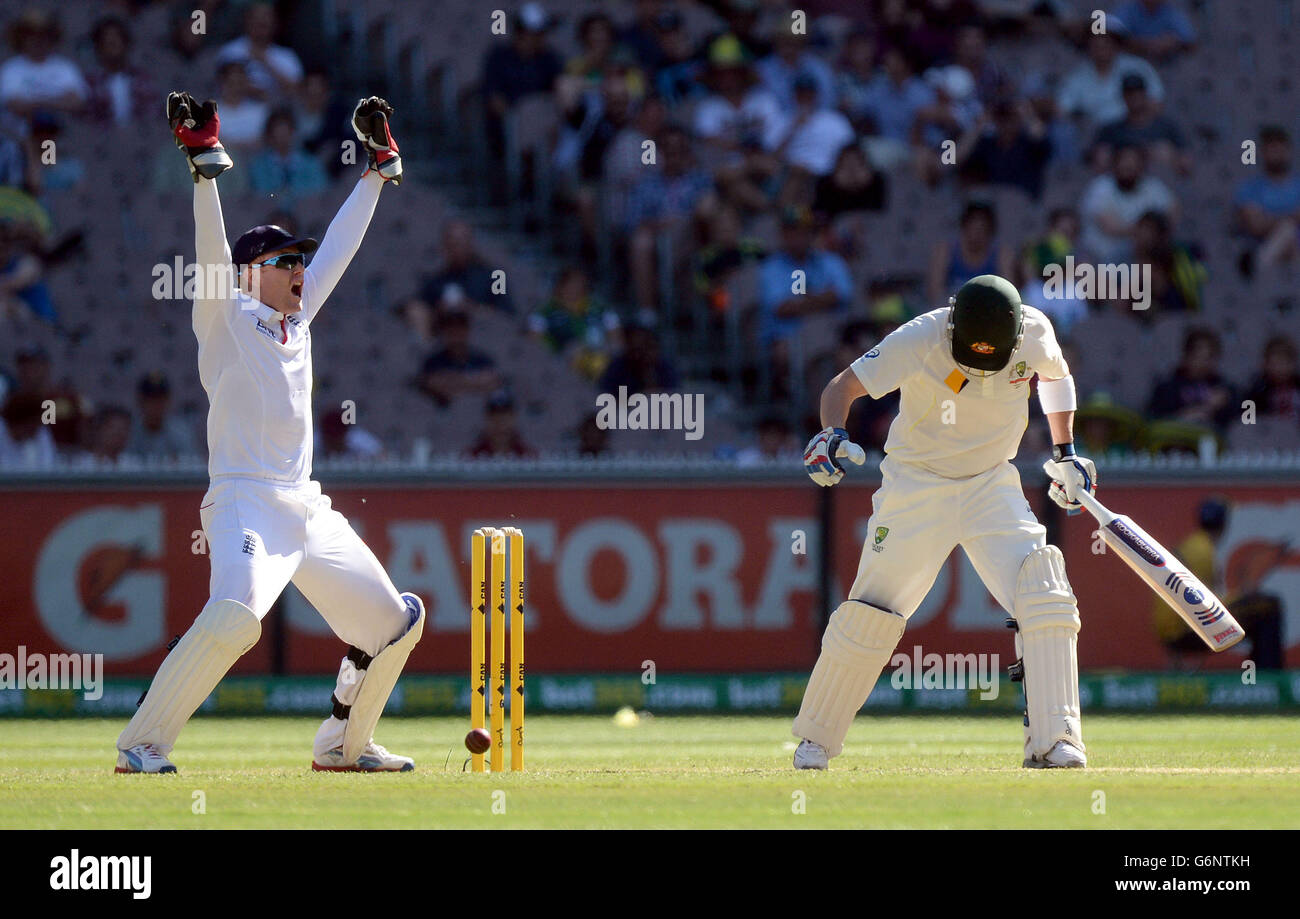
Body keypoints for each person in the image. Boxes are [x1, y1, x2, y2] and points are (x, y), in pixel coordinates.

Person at [115, 91, 422, 775]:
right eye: (286, 262)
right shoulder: (224, 316)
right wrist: (203, 167)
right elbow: (210, 249)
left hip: (304, 506)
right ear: (250, 272)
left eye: (298, 262)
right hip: (244, 501)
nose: (299, 271)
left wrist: (375, 171)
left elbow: (338, 246)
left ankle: (344, 744)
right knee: (233, 617)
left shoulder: (298, 320)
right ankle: (142, 744)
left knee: (396, 622)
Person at [795, 275, 1092, 770]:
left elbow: (1057, 379)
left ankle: (1055, 739)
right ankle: (816, 741)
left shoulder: (1036, 332)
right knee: (873, 610)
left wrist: (1066, 453)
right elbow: (842, 387)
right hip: (917, 484)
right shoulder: (921, 335)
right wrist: (830, 434)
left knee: (1044, 590)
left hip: (991, 484)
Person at [1153, 499, 1284, 670]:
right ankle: (1269, 679)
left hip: (1173, 627)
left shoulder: (1193, 544)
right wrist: (1243, 595)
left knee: (1257, 609)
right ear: (1223, 524)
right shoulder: (1204, 551)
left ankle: (1258, 676)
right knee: (1268, 605)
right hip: (1183, 629)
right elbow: (1205, 603)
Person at [128, 372, 198, 460]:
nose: (155, 405)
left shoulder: (181, 432)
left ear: (168, 401)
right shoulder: (129, 432)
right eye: (151, 399)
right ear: (140, 401)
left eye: (160, 399)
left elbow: (191, 464)